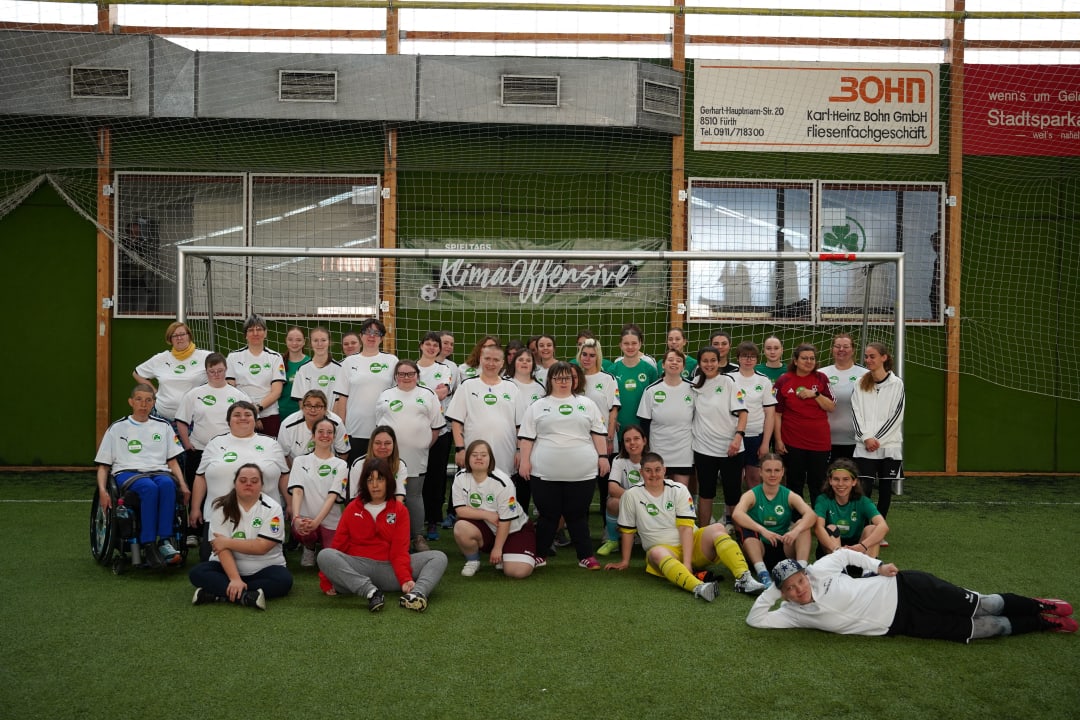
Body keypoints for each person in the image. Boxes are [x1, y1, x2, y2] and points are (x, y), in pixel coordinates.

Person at [746, 551, 1077, 641]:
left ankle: (1039, 603)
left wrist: (879, 565)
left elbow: (848, 554)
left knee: (984, 604)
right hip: (902, 623)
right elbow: (755, 619)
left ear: (806, 574)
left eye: (799, 581)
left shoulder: (822, 569)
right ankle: (1042, 623)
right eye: (790, 589)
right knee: (988, 628)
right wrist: (777, 586)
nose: (798, 590)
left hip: (904, 587)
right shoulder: (792, 612)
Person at [604, 452, 765, 599]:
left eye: (657, 469)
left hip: (692, 547)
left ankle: (744, 578)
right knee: (657, 552)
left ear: (664, 470)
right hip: (663, 552)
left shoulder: (678, 489)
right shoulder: (631, 495)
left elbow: (685, 528)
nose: (654, 474)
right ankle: (699, 587)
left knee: (718, 528)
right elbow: (628, 531)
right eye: (648, 470)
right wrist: (625, 561)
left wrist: (687, 563)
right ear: (641, 472)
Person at [317, 457, 449, 612]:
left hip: (390, 570)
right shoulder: (353, 508)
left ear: (388, 481)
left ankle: (417, 593)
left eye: (380, 479)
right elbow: (338, 545)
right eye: (370, 480)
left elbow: (400, 550)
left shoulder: (400, 510)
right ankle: (371, 592)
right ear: (364, 483)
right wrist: (326, 580)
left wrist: (405, 579)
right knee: (325, 555)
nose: (375, 485)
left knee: (438, 557)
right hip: (358, 568)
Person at [518, 361, 609, 570]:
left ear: (573, 380)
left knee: (577, 515)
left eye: (566, 377)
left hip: (582, 472)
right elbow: (526, 437)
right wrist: (524, 462)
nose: (563, 382)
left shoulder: (587, 404)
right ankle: (540, 554)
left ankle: (585, 556)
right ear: (550, 380)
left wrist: (603, 456)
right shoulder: (538, 406)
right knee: (548, 515)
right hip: (544, 472)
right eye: (558, 378)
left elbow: (598, 433)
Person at [95, 383, 190, 568]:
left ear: (153, 403)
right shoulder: (117, 428)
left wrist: (184, 485)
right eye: (139, 399)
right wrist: (102, 490)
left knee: (168, 485)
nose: (143, 404)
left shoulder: (163, 426)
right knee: (149, 487)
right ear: (131, 402)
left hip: (159, 470)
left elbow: (172, 462)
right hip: (127, 472)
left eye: (148, 400)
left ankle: (164, 541)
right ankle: (148, 543)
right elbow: (103, 466)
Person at [190, 401, 290, 561]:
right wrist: (195, 508)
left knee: (264, 560)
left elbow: (284, 476)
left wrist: (290, 504)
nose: (242, 418)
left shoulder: (271, 444)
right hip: (219, 515)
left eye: (248, 414)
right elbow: (200, 476)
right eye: (237, 415)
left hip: (262, 515)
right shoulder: (215, 443)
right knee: (208, 560)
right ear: (228, 420)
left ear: (255, 419)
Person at [190, 463, 293, 610]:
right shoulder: (221, 507)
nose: (248, 484)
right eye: (243, 480)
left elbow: (262, 547)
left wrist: (227, 542)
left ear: (262, 485)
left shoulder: (273, 508)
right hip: (227, 568)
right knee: (197, 573)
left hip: (264, 567)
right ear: (235, 483)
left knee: (284, 580)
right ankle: (248, 596)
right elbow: (221, 548)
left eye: (254, 481)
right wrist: (235, 578)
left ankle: (216, 593)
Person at [375, 359, 444, 553]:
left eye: (410, 374)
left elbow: (436, 427)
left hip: (416, 456)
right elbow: (379, 424)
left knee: (413, 496)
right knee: (387, 495)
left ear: (417, 376)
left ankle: (417, 536)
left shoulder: (428, 394)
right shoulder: (385, 395)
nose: (406, 377)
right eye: (402, 374)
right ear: (396, 376)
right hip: (388, 458)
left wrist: (421, 444)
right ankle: (387, 536)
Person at [451, 440, 540, 578]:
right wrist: (487, 515)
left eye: (483, 455)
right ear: (468, 458)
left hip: (514, 529)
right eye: (474, 455)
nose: (479, 458)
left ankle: (507, 551)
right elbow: (460, 510)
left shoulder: (503, 482)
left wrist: (497, 549)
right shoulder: (460, 477)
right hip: (487, 526)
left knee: (517, 572)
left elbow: (505, 520)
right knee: (460, 527)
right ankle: (473, 561)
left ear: (491, 459)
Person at [732, 453, 815, 588]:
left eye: (777, 470)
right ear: (760, 472)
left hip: (783, 546)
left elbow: (811, 515)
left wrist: (796, 530)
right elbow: (737, 514)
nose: (773, 474)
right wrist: (763, 530)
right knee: (747, 528)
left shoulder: (788, 495)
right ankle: (763, 574)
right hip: (759, 548)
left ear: (782, 472)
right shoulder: (752, 494)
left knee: (802, 525)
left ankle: (802, 571)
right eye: (768, 470)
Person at [690, 346, 748, 528]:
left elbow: (743, 413)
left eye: (712, 360)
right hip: (703, 448)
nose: (709, 364)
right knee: (706, 493)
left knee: (733, 495)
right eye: (705, 361)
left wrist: (738, 438)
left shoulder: (728, 382)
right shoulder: (693, 384)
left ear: (718, 361)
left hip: (731, 448)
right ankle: (703, 534)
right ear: (699, 363)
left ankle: (741, 536)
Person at [774, 343, 835, 506]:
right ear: (795, 360)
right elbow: (776, 413)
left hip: (819, 442)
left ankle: (819, 519)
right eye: (804, 358)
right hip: (792, 441)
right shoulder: (784, 380)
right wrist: (778, 440)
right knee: (795, 483)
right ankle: (796, 519)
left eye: (812, 358)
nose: (808, 361)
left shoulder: (821, 378)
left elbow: (831, 406)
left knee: (818, 483)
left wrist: (815, 394)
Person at [175, 352, 252, 480]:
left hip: (228, 451)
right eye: (212, 371)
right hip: (198, 450)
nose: (216, 374)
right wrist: (187, 444)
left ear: (226, 370)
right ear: (206, 371)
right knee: (196, 490)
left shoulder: (239, 396)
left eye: (220, 370)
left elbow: (249, 423)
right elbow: (181, 421)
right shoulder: (194, 394)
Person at [447, 342, 521, 476]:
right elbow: (456, 422)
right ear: (481, 359)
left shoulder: (512, 388)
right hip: (473, 453)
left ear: (502, 363)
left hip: (505, 454)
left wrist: (519, 450)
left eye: (496, 360)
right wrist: (460, 449)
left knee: (502, 493)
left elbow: (519, 425)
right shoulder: (467, 386)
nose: (491, 363)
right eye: (487, 359)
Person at [852, 342, 906, 524]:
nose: (868, 360)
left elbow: (896, 415)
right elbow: (856, 412)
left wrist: (878, 440)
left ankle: (879, 528)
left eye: (872, 356)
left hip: (889, 447)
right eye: (866, 356)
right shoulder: (860, 383)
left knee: (885, 489)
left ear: (884, 358)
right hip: (864, 446)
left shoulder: (896, 384)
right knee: (864, 489)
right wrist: (866, 438)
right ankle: (864, 526)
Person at [334, 317, 398, 462]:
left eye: (377, 333)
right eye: (368, 332)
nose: (372, 336)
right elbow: (342, 398)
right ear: (361, 336)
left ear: (381, 339)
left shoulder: (392, 361)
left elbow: (398, 394)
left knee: (382, 477)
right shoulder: (349, 362)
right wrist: (342, 427)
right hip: (355, 429)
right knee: (356, 475)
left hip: (383, 429)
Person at [576, 337, 620, 544]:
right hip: (580, 443)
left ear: (598, 357)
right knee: (582, 490)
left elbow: (613, 410)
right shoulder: (574, 377)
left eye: (592, 355)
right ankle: (580, 532)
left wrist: (609, 437)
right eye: (584, 354)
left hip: (603, 442)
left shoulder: (608, 379)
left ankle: (607, 531)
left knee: (605, 488)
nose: (587, 358)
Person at [288, 418, 348, 567]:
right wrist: (296, 518)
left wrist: (317, 522)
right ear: (313, 436)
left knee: (330, 561)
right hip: (306, 521)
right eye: (320, 432)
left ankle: (321, 548)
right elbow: (297, 492)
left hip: (330, 522)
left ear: (334, 437)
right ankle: (309, 547)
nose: (325, 435)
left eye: (329, 432)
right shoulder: (300, 461)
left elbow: (332, 497)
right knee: (304, 531)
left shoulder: (341, 465)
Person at [417, 330, 458, 541]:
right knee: (415, 478)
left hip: (438, 430)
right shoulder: (410, 368)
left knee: (435, 477)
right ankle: (415, 521)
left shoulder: (444, 369)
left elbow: (442, 392)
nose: (432, 348)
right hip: (413, 431)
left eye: (436, 345)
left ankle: (433, 521)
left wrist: (416, 395)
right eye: (428, 344)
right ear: (421, 346)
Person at [132, 321, 210, 425]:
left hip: (193, 419)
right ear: (170, 340)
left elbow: (222, 375)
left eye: (182, 334)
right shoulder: (161, 358)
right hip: (162, 417)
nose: (179, 338)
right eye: (175, 336)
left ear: (189, 336)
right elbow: (137, 373)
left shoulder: (206, 357)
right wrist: (155, 392)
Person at [637, 349, 694, 488]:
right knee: (657, 491)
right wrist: (646, 448)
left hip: (684, 450)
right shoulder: (651, 390)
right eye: (670, 360)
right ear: (663, 364)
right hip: (659, 449)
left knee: (681, 491)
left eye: (679, 361)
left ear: (683, 366)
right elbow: (644, 423)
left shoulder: (693, 389)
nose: (674, 363)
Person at [813, 458, 889, 560]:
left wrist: (862, 546)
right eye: (836, 479)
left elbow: (883, 526)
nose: (840, 484)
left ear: (854, 482)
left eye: (846, 479)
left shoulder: (863, 501)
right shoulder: (823, 500)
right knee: (831, 528)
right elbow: (818, 528)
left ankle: (869, 572)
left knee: (872, 529)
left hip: (857, 549)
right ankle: (838, 571)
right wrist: (837, 550)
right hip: (832, 552)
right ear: (830, 481)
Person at [226, 314, 286, 438]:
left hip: (269, 415)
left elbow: (277, 391)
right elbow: (230, 390)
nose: (255, 333)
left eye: (259, 329)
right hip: (241, 415)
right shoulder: (233, 357)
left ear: (265, 333)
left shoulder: (275, 357)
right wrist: (248, 411)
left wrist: (257, 409)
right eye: (251, 330)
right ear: (245, 335)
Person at [504, 347, 545, 515]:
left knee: (526, 483)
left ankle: (524, 521)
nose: (524, 363)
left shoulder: (539, 388)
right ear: (514, 362)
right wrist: (516, 447)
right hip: (507, 442)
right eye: (520, 359)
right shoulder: (504, 383)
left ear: (533, 364)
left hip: (532, 445)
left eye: (528, 360)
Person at [597, 424, 648, 556]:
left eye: (636, 438)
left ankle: (643, 535)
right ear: (623, 443)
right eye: (627, 440)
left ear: (644, 440)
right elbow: (613, 489)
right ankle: (613, 540)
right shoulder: (619, 460)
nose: (632, 443)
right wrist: (636, 499)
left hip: (649, 504)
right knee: (613, 502)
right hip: (632, 502)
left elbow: (658, 489)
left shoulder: (652, 460)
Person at [731, 341, 777, 489]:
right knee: (733, 478)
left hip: (755, 435)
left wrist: (765, 443)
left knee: (754, 478)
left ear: (757, 359)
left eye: (752, 357)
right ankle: (731, 512)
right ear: (738, 358)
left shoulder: (763, 380)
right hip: (732, 435)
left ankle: (753, 512)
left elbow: (770, 414)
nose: (748, 360)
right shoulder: (728, 378)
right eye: (744, 356)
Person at [819, 333, 867, 461]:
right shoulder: (821, 374)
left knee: (853, 479)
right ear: (832, 349)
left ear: (853, 350)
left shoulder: (865, 375)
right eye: (837, 346)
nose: (841, 350)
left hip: (857, 441)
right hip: (826, 440)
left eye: (846, 346)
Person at [277, 389, 350, 465]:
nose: (312, 410)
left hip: (327, 468)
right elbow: (282, 455)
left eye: (318, 406)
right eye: (308, 405)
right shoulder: (287, 425)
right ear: (302, 407)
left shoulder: (336, 423)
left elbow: (343, 452)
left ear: (325, 409)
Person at [611, 325, 659, 438]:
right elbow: (608, 400)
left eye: (634, 343)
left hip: (643, 428)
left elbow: (654, 400)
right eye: (626, 343)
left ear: (640, 344)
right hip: (619, 427)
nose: (630, 347)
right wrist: (612, 421)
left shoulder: (649, 370)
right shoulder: (613, 370)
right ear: (620, 345)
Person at [346, 425, 409, 505]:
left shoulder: (400, 465)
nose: (382, 447)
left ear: (394, 444)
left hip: (391, 510)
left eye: (387, 443)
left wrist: (392, 515)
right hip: (364, 509)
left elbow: (399, 497)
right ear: (371, 444)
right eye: (378, 443)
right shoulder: (359, 464)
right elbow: (354, 498)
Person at [290, 326, 343, 406]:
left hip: (331, 418)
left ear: (329, 342)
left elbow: (339, 401)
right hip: (309, 417)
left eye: (323, 340)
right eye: (315, 340)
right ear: (310, 343)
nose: (319, 344)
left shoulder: (339, 369)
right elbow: (301, 401)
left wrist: (330, 418)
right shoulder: (302, 369)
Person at [279, 325, 309, 419]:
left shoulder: (310, 363)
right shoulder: (278, 362)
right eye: (290, 339)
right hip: (280, 413)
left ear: (304, 341)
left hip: (304, 414)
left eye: (298, 340)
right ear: (286, 341)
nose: (294, 343)